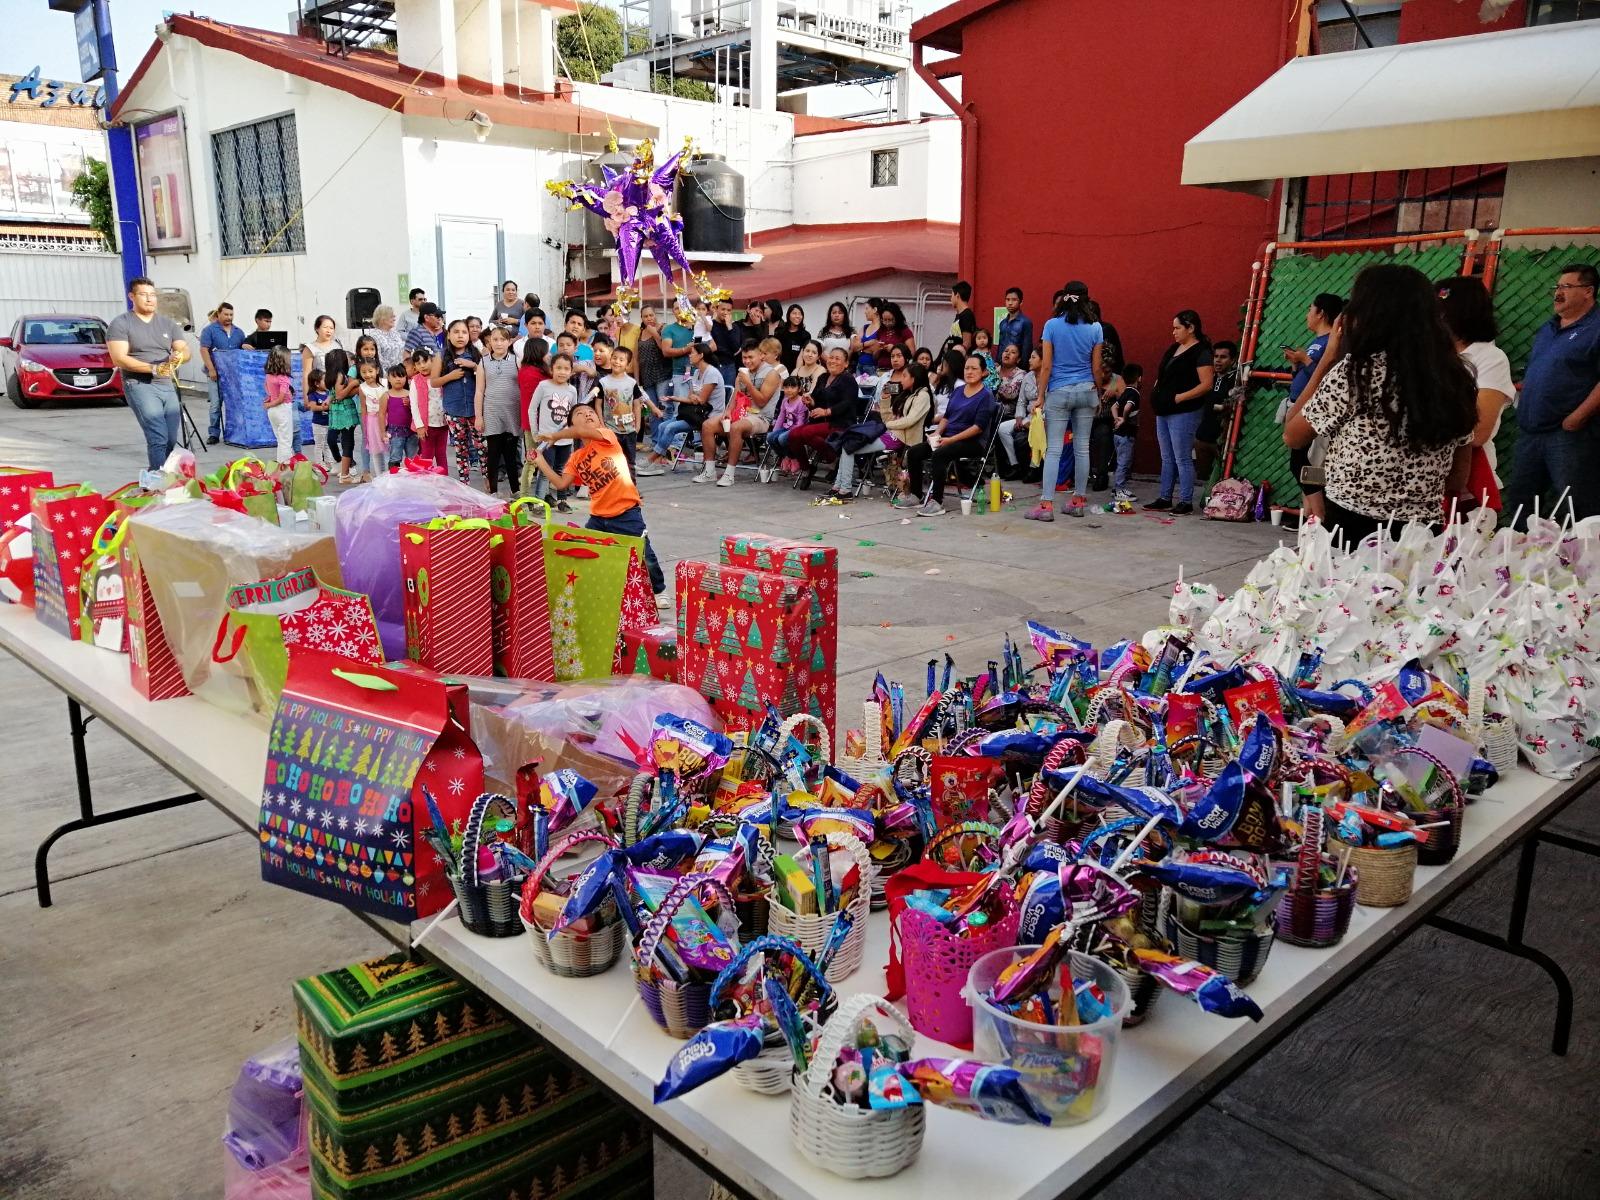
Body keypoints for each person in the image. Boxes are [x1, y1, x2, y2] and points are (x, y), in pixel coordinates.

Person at [1284, 263, 1476, 543]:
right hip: (1421, 533)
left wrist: (1327, 359)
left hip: (1353, 527)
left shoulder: (1357, 373)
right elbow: (1457, 480)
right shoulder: (1455, 377)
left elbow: (1292, 434)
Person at [530, 401, 667, 604]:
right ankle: (599, 586)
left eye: (591, 412)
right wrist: (540, 462)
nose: (587, 414)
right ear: (572, 423)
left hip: (626, 512)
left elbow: (581, 430)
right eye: (580, 413)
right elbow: (560, 484)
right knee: (591, 552)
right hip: (598, 517)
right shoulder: (576, 457)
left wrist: (556, 435)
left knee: (644, 553)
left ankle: (659, 591)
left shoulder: (607, 437)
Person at [1501, 263, 1600, 525]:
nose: (1558, 292)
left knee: (1576, 505)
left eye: (1567, 287)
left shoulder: (1596, 328)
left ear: (1588, 291)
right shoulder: (1548, 328)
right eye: (1557, 286)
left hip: (1569, 435)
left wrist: (1577, 417)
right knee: (1521, 503)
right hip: (1530, 433)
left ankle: (1579, 562)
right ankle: (1519, 557)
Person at [1436, 276, 1515, 512]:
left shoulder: (1490, 358)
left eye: (1439, 311)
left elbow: (1479, 431)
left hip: (1466, 483)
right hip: (1425, 480)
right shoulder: (1434, 356)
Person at [1028, 282, 1105, 521]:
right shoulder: (1095, 328)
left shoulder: (1051, 325)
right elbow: (1097, 367)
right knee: (1082, 448)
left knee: (1054, 450)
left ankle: (1046, 505)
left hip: (1059, 391)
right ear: (1086, 300)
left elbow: (1047, 366)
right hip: (1086, 390)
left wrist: (1040, 396)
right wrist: (1099, 393)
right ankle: (1077, 501)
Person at [106, 277, 190, 470]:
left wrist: (178, 357)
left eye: (152, 295)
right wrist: (153, 368)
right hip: (139, 384)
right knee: (158, 436)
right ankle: (157, 483)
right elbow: (119, 358)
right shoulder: (121, 324)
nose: (150, 299)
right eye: (144, 295)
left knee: (170, 438)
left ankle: (167, 478)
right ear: (132, 297)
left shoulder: (167, 324)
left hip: (166, 384)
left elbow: (185, 351)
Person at [901, 353, 996, 515]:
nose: (969, 372)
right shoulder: (958, 391)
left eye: (974, 368)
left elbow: (978, 428)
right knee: (914, 452)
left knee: (940, 454)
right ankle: (916, 495)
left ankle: (937, 502)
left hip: (972, 442)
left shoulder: (986, 396)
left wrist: (950, 440)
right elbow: (946, 418)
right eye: (967, 368)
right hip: (948, 438)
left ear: (984, 372)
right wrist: (936, 435)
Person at [1145, 309, 1214, 515]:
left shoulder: (1201, 352)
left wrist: (1180, 397)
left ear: (1190, 328)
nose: (1173, 332)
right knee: (1166, 457)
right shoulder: (1174, 348)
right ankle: (1165, 496)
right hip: (1164, 409)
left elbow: (1206, 384)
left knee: (1182, 457)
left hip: (1184, 410)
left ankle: (1185, 500)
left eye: (1177, 328)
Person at [833, 351, 930, 497]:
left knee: (849, 446)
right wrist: (885, 400)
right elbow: (887, 419)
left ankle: (844, 489)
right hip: (889, 433)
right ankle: (838, 487)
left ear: (914, 378)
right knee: (847, 441)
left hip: (900, 438)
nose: (901, 380)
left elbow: (910, 420)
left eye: (904, 376)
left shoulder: (923, 396)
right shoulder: (906, 394)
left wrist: (889, 425)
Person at [1282, 292, 1344, 522]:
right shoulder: (1316, 342)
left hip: (1316, 411)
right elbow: (1307, 376)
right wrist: (1297, 364)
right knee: (1300, 461)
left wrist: (1306, 361)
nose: (1308, 314)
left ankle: (1319, 514)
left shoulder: (1331, 343)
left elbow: (1326, 374)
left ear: (1321, 314)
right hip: (1299, 405)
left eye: (1311, 309)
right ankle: (1310, 511)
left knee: (1303, 462)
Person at [696, 341, 781, 487]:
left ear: (761, 355)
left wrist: (748, 383)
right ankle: (709, 471)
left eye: (750, 357)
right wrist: (728, 411)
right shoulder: (742, 373)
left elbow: (761, 402)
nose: (747, 361)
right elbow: (735, 397)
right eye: (744, 358)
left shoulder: (772, 374)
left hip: (761, 417)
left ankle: (729, 474)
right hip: (740, 414)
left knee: (736, 427)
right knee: (708, 425)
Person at [774, 346, 858, 487]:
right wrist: (810, 402)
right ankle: (807, 468)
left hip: (840, 423)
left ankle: (831, 457)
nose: (832, 361)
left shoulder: (848, 379)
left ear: (846, 364)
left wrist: (826, 412)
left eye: (837, 358)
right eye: (831, 357)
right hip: (820, 422)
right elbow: (816, 400)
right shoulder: (823, 377)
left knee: (806, 433)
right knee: (793, 435)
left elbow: (847, 403)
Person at [431, 319, 483, 486]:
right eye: (456, 332)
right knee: (461, 449)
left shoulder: (476, 354)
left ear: (469, 335)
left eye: (464, 332)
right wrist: (450, 377)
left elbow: (485, 376)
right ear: (449, 335)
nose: (460, 335)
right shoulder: (441, 355)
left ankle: (489, 484)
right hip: (454, 410)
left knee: (482, 447)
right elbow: (433, 382)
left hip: (476, 410)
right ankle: (464, 484)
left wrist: (473, 366)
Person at [527, 352, 579, 507]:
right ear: (551, 369)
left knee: (562, 470)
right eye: (558, 368)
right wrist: (536, 433)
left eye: (566, 369)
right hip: (546, 439)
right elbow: (532, 409)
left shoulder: (572, 390)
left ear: (571, 371)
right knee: (544, 471)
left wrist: (572, 432)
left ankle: (562, 500)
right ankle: (538, 502)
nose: (562, 372)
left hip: (565, 439)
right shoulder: (544, 386)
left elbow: (574, 414)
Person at [475, 325, 521, 496]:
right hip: (492, 412)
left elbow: (523, 388)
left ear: (509, 342)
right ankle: (493, 491)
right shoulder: (484, 362)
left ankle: (515, 490)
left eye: (503, 339)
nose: (499, 343)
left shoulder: (517, 361)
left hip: (512, 413)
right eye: (495, 340)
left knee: (511, 454)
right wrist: (479, 416)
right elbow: (479, 391)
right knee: (493, 453)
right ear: (489, 342)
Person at [595, 344, 646, 480]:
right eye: (615, 358)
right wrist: (602, 424)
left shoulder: (631, 382)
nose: (617, 362)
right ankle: (614, 490)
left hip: (629, 429)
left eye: (621, 360)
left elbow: (636, 403)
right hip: (611, 430)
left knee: (629, 462)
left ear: (628, 364)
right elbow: (598, 404)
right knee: (611, 462)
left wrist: (638, 425)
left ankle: (631, 490)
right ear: (610, 359)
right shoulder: (603, 382)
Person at [198, 300, 245, 445]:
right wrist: (211, 369)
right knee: (215, 405)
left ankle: (234, 433)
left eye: (231, 314)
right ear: (218, 314)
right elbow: (204, 349)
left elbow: (242, 350)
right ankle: (214, 433)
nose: (229, 317)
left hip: (233, 376)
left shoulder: (239, 332)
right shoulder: (209, 330)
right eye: (226, 314)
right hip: (215, 375)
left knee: (235, 405)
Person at [1195, 340, 1239, 484]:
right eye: (1216, 356)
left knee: (1221, 479)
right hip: (1203, 438)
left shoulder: (1235, 381)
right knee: (1203, 480)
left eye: (1223, 357)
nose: (1218, 360)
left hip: (1222, 440)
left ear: (1233, 360)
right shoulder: (1208, 379)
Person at [993, 343, 1036, 480]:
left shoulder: (1021, 374)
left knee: (1000, 426)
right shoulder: (995, 369)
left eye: (1012, 352)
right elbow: (1022, 401)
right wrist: (1019, 417)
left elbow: (1011, 394)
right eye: (1006, 351)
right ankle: (1014, 465)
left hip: (1009, 413)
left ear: (1018, 359)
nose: (1007, 354)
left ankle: (1029, 468)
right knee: (998, 427)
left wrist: (995, 382)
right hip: (1000, 413)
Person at [409, 348, 448, 467]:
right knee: (427, 455)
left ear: (432, 361)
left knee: (441, 453)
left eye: (425, 361)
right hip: (427, 426)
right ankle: (427, 483)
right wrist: (419, 426)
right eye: (418, 363)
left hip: (443, 423)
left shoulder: (441, 376)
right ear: (415, 366)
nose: (422, 366)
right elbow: (414, 405)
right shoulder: (415, 381)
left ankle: (443, 481)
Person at [325, 348, 359, 482]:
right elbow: (338, 395)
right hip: (341, 411)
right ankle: (345, 467)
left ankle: (347, 467)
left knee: (344, 440)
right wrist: (352, 385)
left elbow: (335, 395)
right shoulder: (339, 375)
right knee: (342, 440)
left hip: (341, 411)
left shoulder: (335, 375)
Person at [1111, 363, 1142, 500]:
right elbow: (1128, 407)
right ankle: (1119, 490)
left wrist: (1116, 419)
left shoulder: (1124, 392)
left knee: (1120, 462)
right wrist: (1123, 419)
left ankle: (1117, 488)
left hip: (1118, 434)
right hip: (1126, 434)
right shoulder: (1134, 393)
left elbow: (1114, 406)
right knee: (1124, 462)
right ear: (1139, 378)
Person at [771, 374, 813, 475]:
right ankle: (786, 456)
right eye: (786, 387)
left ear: (799, 389)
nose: (789, 390)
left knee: (781, 439)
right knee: (770, 438)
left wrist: (791, 433)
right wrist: (775, 431)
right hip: (786, 427)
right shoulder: (785, 401)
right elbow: (781, 416)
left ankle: (794, 458)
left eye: (793, 387)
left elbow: (801, 421)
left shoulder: (801, 402)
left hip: (798, 429)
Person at [354, 359, 388, 481]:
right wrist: (365, 426)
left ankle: (391, 475)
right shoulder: (362, 388)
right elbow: (363, 408)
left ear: (377, 370)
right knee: (376, 449)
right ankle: (380, 477)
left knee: (389, 447)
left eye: (370, 371)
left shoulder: (385, 383)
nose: (367, 374)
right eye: (364, 372)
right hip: (372, 421)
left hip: (387, 418)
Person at [262, 345, 296, 463]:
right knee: (286, 441)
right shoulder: (284, 378)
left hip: (273, 412)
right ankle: (285, 467)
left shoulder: (268, 375)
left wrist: (270, 401)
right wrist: (270, 404)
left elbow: (267, 388)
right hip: (282, 409)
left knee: (280, 440)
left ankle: (281, 466)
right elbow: (282, 398)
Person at [385, 363, 419, 469]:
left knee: (413, 457)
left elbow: (417, 411)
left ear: (406, 378)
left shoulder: (410, 393)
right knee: (395, 456)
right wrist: (382, 432)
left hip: (411, 431)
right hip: (395, 432)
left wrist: (409, 405)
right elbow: (381, 414)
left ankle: (412, 478)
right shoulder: (386, 395)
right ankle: (393, 478)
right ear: (388, 379)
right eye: (394, 377)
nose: (398, 379)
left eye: (401, 376)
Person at [997, 286, 1034, 367]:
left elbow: (1027, 348)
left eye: (1014, 300)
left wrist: (1023, 367)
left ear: (1021, 302)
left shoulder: (1025, 322)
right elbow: (1001, 344)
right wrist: (998, 361)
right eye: (1007, 299)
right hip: (1002, 366)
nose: (1010, 303)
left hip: (1017, 367)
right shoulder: (1002, 323)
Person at [304, 368, 333, 468]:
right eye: (324, 380)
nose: (327, 382)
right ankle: (319, 464)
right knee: (319, 444)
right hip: (318, 424)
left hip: (328, 423)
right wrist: (324, 407)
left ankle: (329, 462)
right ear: (317, 383)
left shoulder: (329, 393)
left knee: (327, 443)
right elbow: (312, 407)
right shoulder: (313, 395)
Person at [369, 305, 406, 371]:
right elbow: (377, 359)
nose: (394, 319)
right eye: (391, 316)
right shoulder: (374, 336)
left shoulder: (395, 333)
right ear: (382, 319)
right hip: (385, 373)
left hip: (400, 372)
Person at [949, 280, 978, 352]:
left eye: (952, 295)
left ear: (957, 295)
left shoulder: (967, 315)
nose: (950, 299)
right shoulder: (959, 315)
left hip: (958, 360)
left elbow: (967, 343)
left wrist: (956, 357)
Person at [778, 304, 810, 371]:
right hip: (781, 369)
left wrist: (796, 373)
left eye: (800, 314)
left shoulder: (805, 335)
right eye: (794, 313)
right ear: (788, 315)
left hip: (797, 370)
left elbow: (802, 356)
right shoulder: (780, 332)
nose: (797, 316)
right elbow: (776, 352)